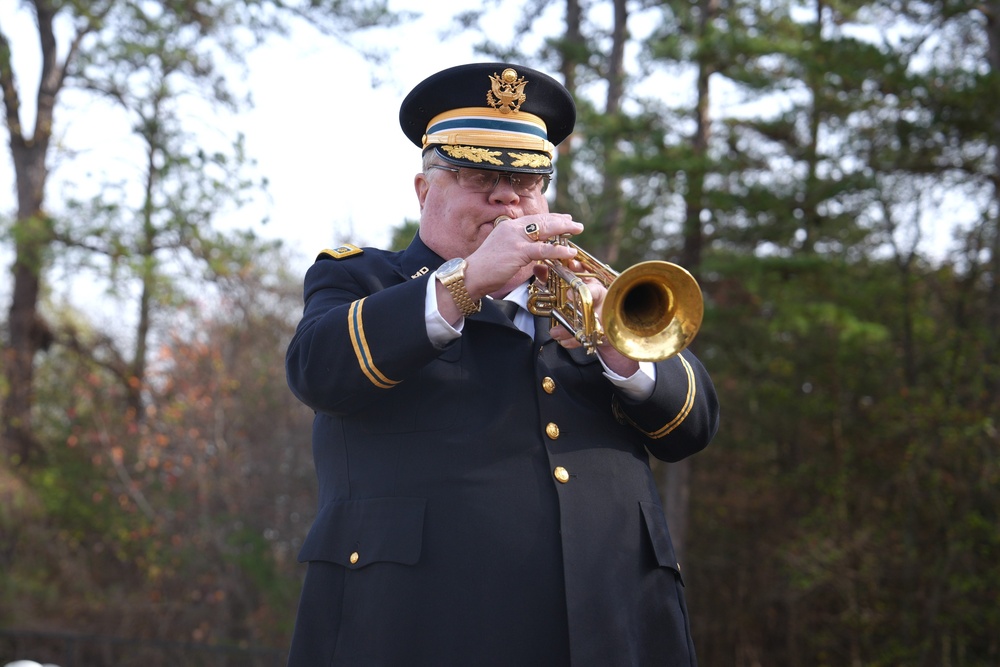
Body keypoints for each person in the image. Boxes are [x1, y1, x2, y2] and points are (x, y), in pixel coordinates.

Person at [284, 62, 720, 666]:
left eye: (527, 180)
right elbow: (316, 370)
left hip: (614, 622)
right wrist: (466, 284)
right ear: (423, 190)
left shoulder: (591, 298)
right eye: (476, 174)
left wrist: (620, 354)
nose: (507, 196)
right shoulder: (362, 277)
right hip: (418, 627)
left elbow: (695, 426)